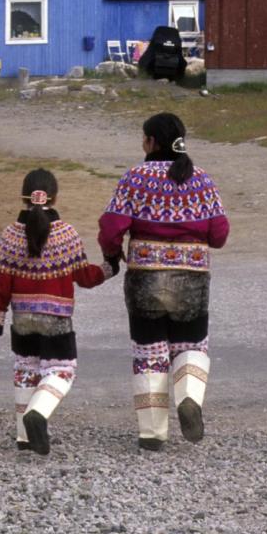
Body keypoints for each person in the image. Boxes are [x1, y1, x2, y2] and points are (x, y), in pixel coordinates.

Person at [98, 113, 229, 451]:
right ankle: (189, 398)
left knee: (149, 352)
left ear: (152, 142)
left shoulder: (135, 178)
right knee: (191, 346)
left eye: (144, 138)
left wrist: (112, 254)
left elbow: (112, 228)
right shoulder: (202, 180)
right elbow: (219, 235)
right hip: (192, 278)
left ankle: (152, 433)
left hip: (145, 279)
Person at [0, 169, 115, 455]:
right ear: (54, 197)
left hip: (22, 319)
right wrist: (109, 268)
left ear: (23, 196)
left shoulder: (10, 235)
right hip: (56, 318)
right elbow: (84, 275)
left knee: (26, 369)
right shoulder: (66, 234)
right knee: (61, 370)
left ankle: (24, 436)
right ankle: (39, 413)